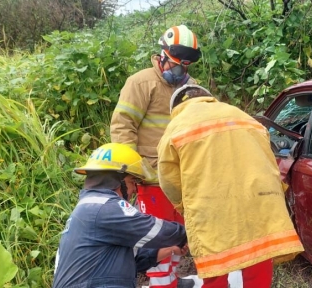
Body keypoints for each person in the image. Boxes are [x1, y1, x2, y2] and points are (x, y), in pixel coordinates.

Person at [157, 84, 305, 287]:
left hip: (211, 206)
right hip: (259, 198)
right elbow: (270, 160)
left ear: (175, 107)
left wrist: (183, 207)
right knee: (258, 254)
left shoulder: (177, 125)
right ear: (209, 98)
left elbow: (169, 180)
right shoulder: (242, 116)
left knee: (216, 265)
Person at [110, 24, 201, 286]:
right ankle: (163, 283)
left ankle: (172, 281)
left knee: (180, 236)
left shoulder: (190, 88)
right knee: (158, 238)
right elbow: (123, 126)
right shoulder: (141, 83)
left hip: (183, 181)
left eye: (186, 66)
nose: (180, 71)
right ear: (162, 56)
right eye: (176, 64)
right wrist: (128, 173)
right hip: (152, 180)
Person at [52, 143, 189, 288]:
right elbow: (155, 230)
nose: (134, 190)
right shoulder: (105, 207)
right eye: (132, 182)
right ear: (117, 180)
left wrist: (170, 249)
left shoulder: (89, 207)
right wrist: (191, 233)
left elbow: (132, 260)